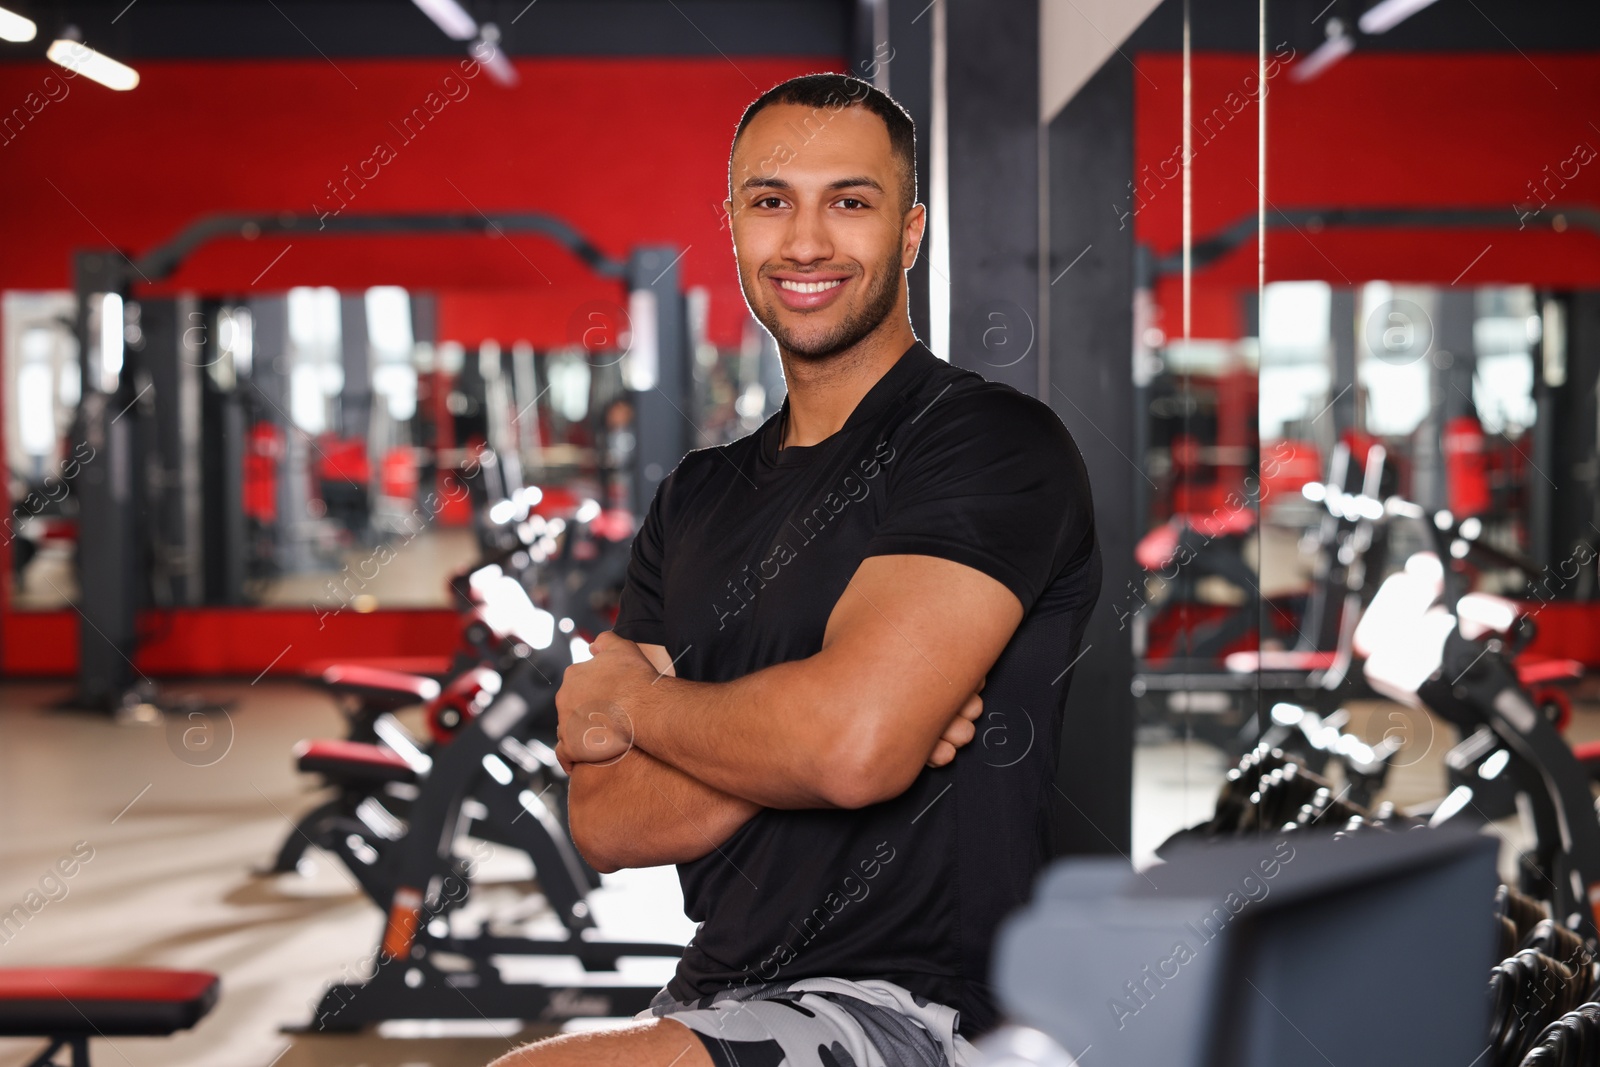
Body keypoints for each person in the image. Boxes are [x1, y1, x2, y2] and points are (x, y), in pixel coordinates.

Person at [491, 72, 1100, 1067]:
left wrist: (641, 707)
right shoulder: (696, 494)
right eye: (771, 202)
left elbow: (850, 747)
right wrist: (815, 731)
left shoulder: (987, 442)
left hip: (920, 1003)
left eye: (848, 203)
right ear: (732, 225)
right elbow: (602, 818)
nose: (805, 242)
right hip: (722, 979)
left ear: (908, 233)